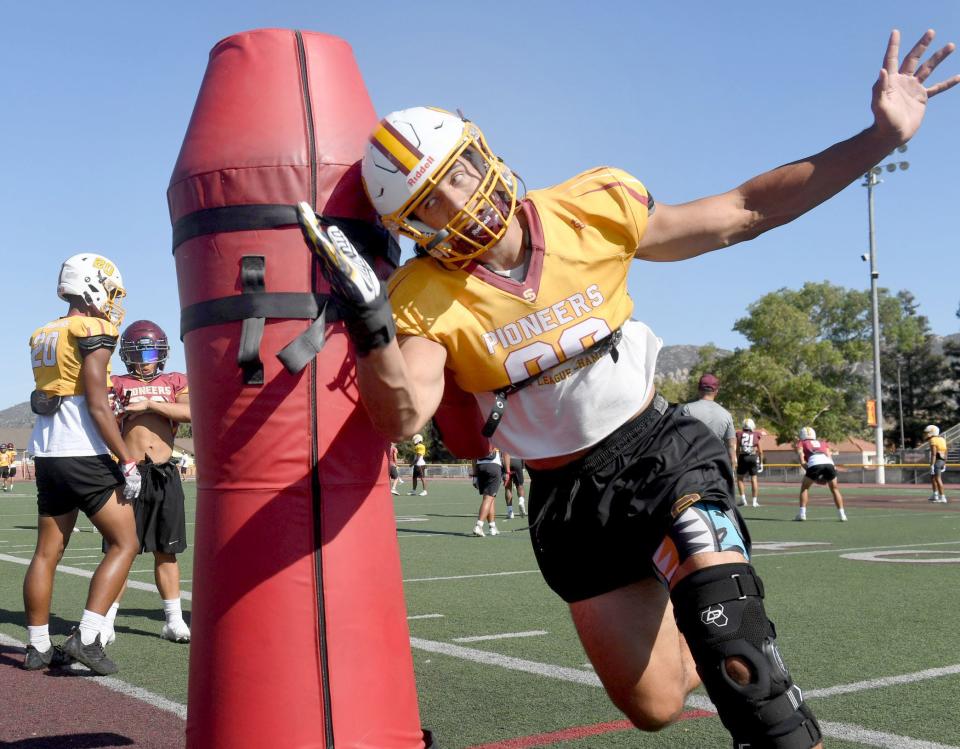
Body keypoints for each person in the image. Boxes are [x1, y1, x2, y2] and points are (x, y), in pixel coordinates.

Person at [297, 29, 957, 747]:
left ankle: (727, 623)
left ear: (482, 151)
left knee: (737, 655)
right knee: (655, 703)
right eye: (429, 202)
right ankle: (699, 597)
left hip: (661, 452)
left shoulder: (591, 204)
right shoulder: (424, 295)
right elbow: (404, 415)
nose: (458, 200)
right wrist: (371, 326)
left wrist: (878, 139)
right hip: (569, 499)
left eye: (458, 172)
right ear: (411, 226)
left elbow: (743, 211)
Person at [23, 253, 141, 675]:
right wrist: (126, 459)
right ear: (92, 286)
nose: (111, 300)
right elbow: (96, 404)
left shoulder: (44, 332)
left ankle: (37, 646)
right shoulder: (94, 328)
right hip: (82, 451)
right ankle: (88, 637)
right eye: (108, 290)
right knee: (126, 542)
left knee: (45, 553)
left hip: (48, 453)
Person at [100, 320, 192, 645]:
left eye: (151, 351)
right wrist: (122, 411)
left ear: (162, 352)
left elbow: (191, 411)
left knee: (167, 552)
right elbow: (102, 419)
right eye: (139, 353)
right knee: (120, 550)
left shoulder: (174, 380)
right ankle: (106, 619)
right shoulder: (116, 382)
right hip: (128, 473)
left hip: (165, 473)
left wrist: (149, 404)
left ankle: (174, 620)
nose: (145, 359)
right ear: (127, 354)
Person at [681, 374, 737, 473]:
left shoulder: (687, 409)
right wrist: (732, 465)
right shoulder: (726, 415)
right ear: (716, 391)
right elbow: (731, 446)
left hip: (692, 467)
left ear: (699, 389)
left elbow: (680, 440)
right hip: (716, 467)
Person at [794, 428, 847, 522]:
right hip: (829, 464)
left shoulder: (801, 443)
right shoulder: (823, 443)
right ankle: (842, 515)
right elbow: (829, 457)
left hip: (814, 463)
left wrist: (813, 476)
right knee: (835, 489)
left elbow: (802, 461)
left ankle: (802, 514)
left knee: (804, 488)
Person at [472, 447, 502, 536]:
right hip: (493, 466)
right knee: (489, 498)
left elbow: (473, 457)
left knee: (489, 498)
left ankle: (492, 526)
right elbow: (505, 453)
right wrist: (507, 471)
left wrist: (475, 476)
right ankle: (479, 525)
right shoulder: (497, 435)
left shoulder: (477, 437)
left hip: (480, 467)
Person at [735, 418, 765, 507]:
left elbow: (737, 449)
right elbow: (760, 451)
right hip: (753, 456)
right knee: (754, 478)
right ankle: (755, 502)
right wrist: (761, 462)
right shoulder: (756, 434)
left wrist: (737, 459)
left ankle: (743, 499)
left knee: (740, 478)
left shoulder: (739, 434)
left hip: (743, 457)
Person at [923, 424, 948, 503]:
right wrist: (945, 463)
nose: (926, 434)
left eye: (928, 432)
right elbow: (946, 451)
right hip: (942, 460)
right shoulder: (942, 439)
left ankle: (942, 497)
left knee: (937, 479)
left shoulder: (933, 440)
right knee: (933, 478)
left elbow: (934, 454)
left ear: (932, 432)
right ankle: (935, 495)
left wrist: (932, 465)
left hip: (937, 461)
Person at [501, 451, 527, 519]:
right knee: (520, 486)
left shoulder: (503, 440)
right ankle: (521, 501)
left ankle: (510, 511)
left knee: (508, 488)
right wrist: (523, 467)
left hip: (506, 462)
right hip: (517, 461)